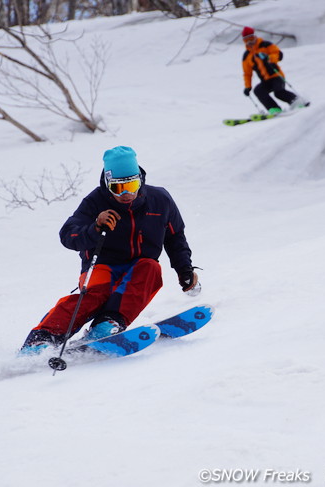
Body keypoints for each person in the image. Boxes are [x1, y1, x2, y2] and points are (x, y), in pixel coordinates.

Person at [20, 146, 199, 354]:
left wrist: (184, 269)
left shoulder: (160, 200)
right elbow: (68, 235)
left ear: (140, 179)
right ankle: (42, 338)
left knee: (151, 268)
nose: (126, 194)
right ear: (107, 184)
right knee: (96, 294)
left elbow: (175, 236)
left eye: (131, 185)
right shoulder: (95, 201)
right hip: (102, 264)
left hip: (139, 266)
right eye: (118, 188)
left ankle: (106, 325)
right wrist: (94, 227)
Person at [240, 26, 307, 115]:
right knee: (258, 90)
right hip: (265, 80)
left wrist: (269, 58)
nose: (249, 42)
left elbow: (279, 54)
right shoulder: (246, 56)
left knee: (278, 92)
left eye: (251, 38)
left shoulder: (265, 45)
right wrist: (247, 86)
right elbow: (247, 73)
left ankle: (297, 102)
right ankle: (274, 109)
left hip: (276, 76)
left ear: (255, 36)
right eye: (246, 40)